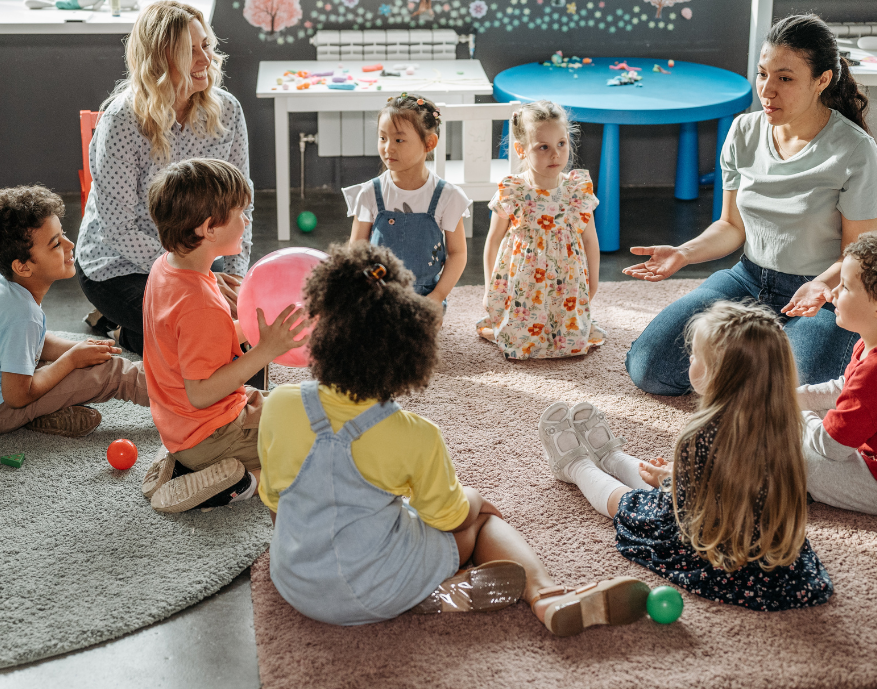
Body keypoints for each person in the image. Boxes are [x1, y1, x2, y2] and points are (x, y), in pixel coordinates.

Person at [258, 242, 651, 636]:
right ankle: (547, 596)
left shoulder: (278, 404)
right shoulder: (415, 435)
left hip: (296, 583)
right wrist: (477, 500)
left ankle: (426, 590)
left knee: (378, 508)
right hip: (378, 588)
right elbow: (450, 517)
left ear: (318, 331)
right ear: (408, 352)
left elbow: (276, 501)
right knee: (479, 521)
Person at [624, 13, 877, 394]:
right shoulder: (743, 131)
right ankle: (756, 367)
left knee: (798, 394)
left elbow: (856, 255)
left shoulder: (855, 151)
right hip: (748, 277)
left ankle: (754, 369)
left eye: (785, 78)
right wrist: (683, 252)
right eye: (763, 74)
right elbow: (731, 226)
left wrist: (821, 287)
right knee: (649, 367)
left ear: (822, 80)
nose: (767, 90)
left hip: (820, 292)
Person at [540, 301, 833, 611]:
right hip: (770, 552)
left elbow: (686, 503)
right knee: (659, 486)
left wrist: (674, 480)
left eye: (695, 356)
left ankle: (576, 466)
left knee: (630, 504)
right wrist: (676, 477)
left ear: (717, 374)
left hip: (720, 549)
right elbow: (731, 480)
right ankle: (611, 457)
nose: (690, 358)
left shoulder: (703, 434)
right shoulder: (787, 422)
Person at [75, 0, 252, 356]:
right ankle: (123, 331)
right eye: (190, 51)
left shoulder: (227, 110)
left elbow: (240, 205)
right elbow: (119, 229)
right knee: (203, 335)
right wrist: (195, 276)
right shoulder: (122, 120)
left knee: (236, 327)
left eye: (206, 46)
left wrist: (235, 280)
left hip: (196, 256)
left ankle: (133, 328)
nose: (206, 60)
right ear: (159, 61)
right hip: (118, 266)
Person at [140, 159, 306, 514]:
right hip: (211, 432)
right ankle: (237, 482)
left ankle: (182, 463)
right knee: (313, 452)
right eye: (239, 214)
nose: (246, 222)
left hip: (182, 424)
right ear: (208, 229)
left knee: (296, 404)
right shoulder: (200, 303)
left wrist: (250, 330)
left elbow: (195, 345)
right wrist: (266, 350)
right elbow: (201, 393)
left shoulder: (167, 267)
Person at [0, 186, 148, 437]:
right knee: (109, 373)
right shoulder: (21, 315)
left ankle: (45, 414)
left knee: (80, 360)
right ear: (23, 267)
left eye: (64, 234)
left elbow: (36, 340)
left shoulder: (7, 287)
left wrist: (76, 349)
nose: (70, 244)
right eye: (55, 244)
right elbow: (17, 396)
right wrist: (72, 360)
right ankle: (185, 400)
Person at [477, 100, 604, 359]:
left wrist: (593, 282)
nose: (555, 154)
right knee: (520, 341)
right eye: (543, 147)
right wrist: (490, 288)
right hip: (524, 285)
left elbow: (590, 240)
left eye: (561, 144)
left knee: (569, 341)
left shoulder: (577, 190)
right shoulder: (513, 191)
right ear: (521, 149)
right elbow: (493, 241)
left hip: (566, 284)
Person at [345, 93, 469, 307]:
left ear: (429, 143)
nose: (388, 148)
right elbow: (356, 249)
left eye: (399, 140)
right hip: (377, 295)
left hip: (425, 299)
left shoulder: (448, 196)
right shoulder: (369, 193)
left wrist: (437, 297)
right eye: (382, 138)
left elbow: (457, 254)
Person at [798, 232, 877, 515]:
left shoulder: (874, 371)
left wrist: (797, 414)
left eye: (844, 286)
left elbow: (830, 448)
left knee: (801, 460)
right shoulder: (867, 342)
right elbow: (844, 388)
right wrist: (792, 398)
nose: (831, 293)